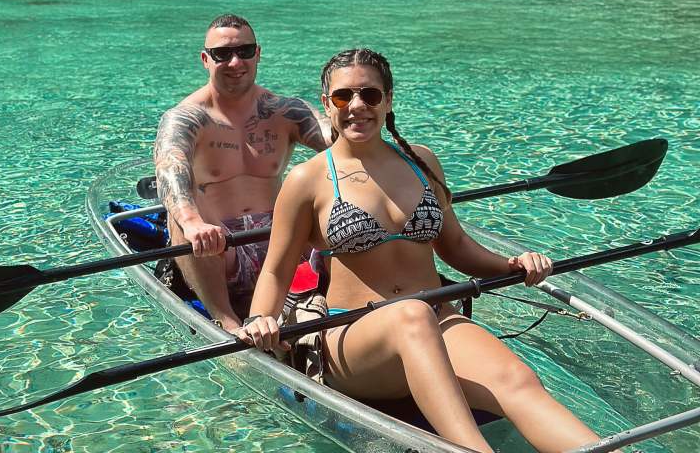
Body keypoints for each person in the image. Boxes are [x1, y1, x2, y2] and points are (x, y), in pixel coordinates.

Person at [237, 48, 608, 453]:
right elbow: (275, 270)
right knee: (409, 315)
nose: (357, 106)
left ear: (389, 99)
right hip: (353, 337)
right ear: (327, 103)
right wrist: (260, 319)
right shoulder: (307, 180)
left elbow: (457, 247)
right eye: (344, 97)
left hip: (435, 318)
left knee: (517, 382)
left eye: (371, 95)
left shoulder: (421, 161)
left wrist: (513, 264)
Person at [153, 14, 329, 332]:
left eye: (245, 51)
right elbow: (169, 168)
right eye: (222, 54)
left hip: (281, 243)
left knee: (333, 185)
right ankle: (227, 322)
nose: (236, 62)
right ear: (206, 60)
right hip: (218, 248)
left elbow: (343, 145)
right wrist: (192, 223)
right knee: (179, 211)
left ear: (257, 53)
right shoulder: (185, 118)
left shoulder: (286, 111)